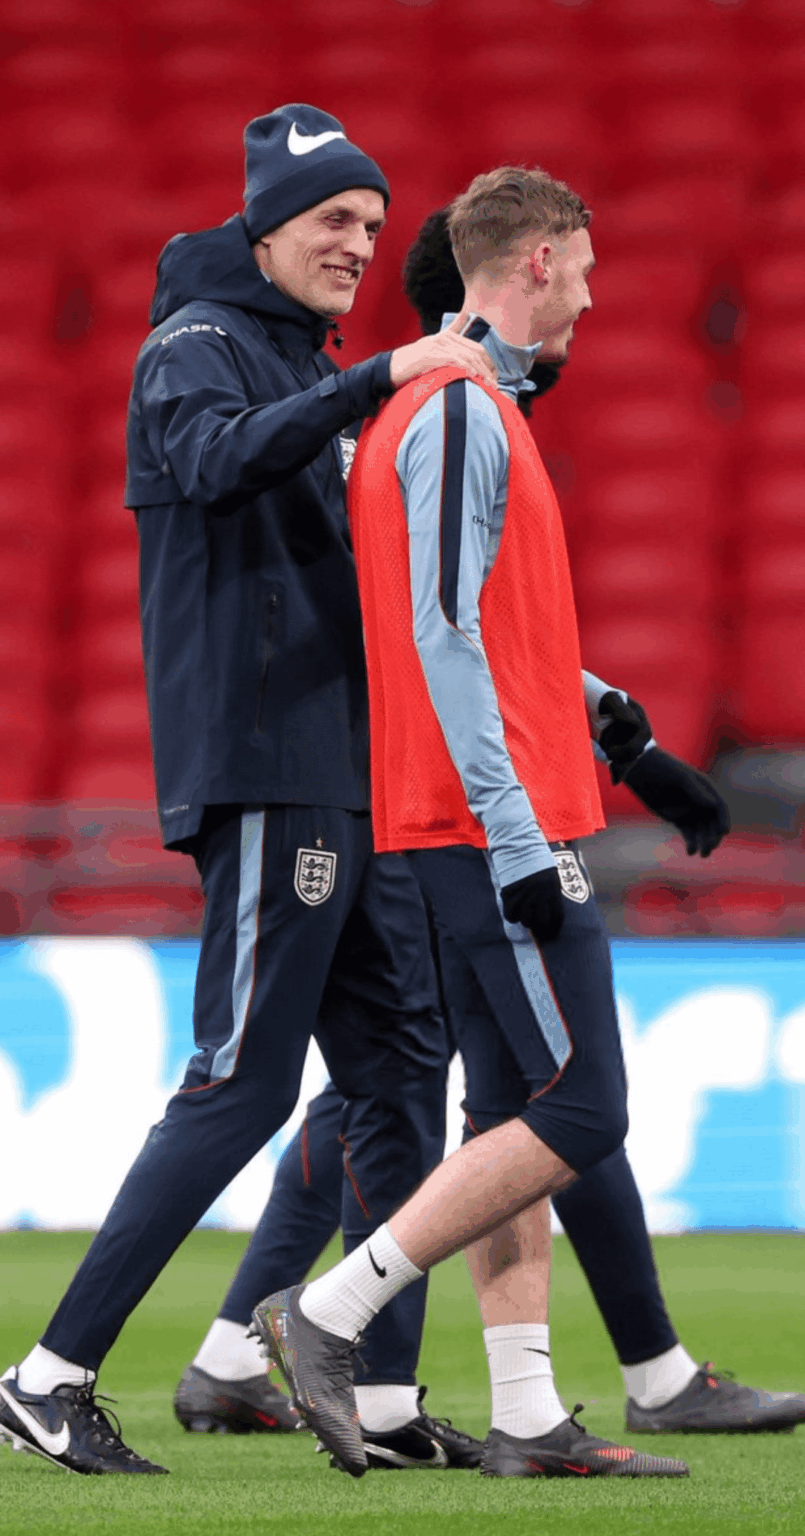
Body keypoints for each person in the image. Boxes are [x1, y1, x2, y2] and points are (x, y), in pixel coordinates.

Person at [177, 203, 805, 1467]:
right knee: (580, 1113)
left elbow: (497, 640)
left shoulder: (457, 411)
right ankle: (330, 1308)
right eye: (582, 271)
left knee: (510, 1112)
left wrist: (625, 742)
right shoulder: (457, 409)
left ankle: (525, 1411)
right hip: (487, 816)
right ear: (535, 260)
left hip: (487, 804)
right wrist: (518, 832)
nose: (591, 298)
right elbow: (441, 631)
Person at [0, 103, 501, 1478]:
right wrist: (380, 376)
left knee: (404, 1070)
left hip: (353, 775)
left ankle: (385, 1405)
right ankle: (48, 1375)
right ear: (265, 226)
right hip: (270, 767)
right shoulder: (193, 350)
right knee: (239, 1085)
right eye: (335, 219)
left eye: (370, 223)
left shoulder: (299, 361)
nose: (359, 242)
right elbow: (220, 462)